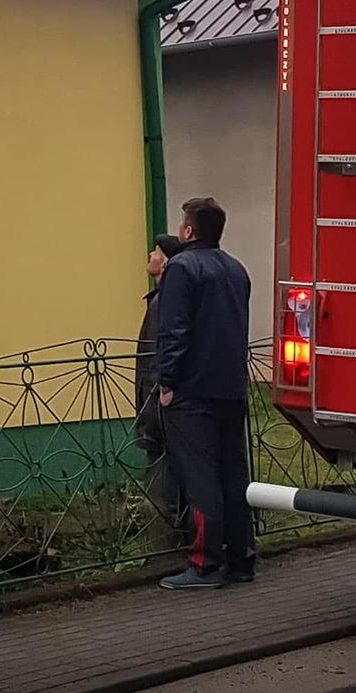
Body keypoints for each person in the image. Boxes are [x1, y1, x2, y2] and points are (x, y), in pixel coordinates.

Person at [154, 198, 255, 589]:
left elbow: (175, 331)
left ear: (189, 231)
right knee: (234, 477)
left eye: (182, 223)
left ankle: (205, 564)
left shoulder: (181, 268)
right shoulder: (236, 269)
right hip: (231, 387)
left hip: (193, 392)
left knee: (200, 481)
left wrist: (168, 383)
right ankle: (241, 560)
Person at [136, 235, 189, 551]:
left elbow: (157, 357)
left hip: (158, 403)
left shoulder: (162, 303)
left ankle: (163, 550)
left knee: (160, 483)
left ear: (166, 261)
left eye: (155, 251)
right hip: (160, 399)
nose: (150, 255)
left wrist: (154, 401)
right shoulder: (164, 299)